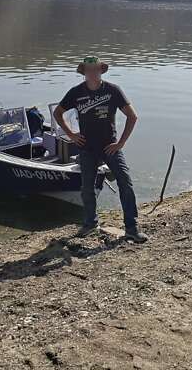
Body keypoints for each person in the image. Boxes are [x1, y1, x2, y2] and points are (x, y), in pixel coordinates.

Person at [54, 56, 147, 243]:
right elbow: (58, 113)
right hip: (87, 147)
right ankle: (90, 223)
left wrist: (120, 143)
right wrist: (71, 135)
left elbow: (132, 116)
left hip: (109, 146)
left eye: (96, 69)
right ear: (84, 72)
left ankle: (131, 228)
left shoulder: (113, 90)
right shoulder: (76, 92)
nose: (93, 73)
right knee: (87, 188)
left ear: (101, 70)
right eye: (89, 70)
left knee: (125, 182)